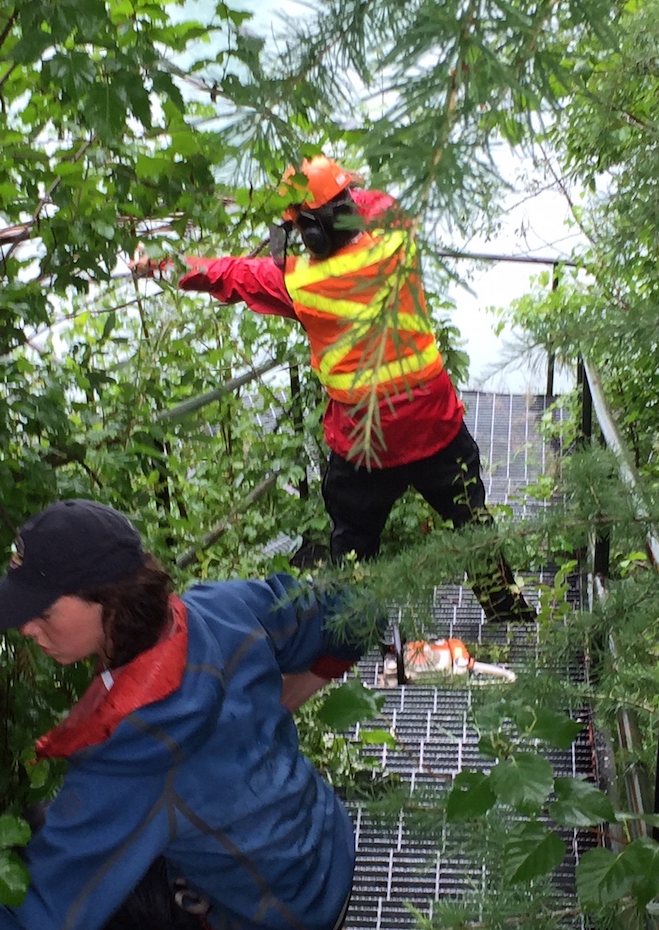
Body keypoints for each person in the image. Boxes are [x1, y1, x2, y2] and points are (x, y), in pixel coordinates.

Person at [0, 498, 379, 930]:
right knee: (72, 833)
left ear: (108, 602)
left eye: (44, 611)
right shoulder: (219, 608)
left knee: (48, 851)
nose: (27, 628)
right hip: (326, 856)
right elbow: (352, 607)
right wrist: (302, 686)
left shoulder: (137, 749)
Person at [137, 155, 535, 623]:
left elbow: (227, 274)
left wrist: (161, 264)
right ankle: (507, 612)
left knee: (353, 548)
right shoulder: (394, 233)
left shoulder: (298, 282)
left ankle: (353, 633)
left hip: (364, 447)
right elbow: (373, 202)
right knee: (472, 525)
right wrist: (326, 195)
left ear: (308, 233)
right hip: (434, 426)